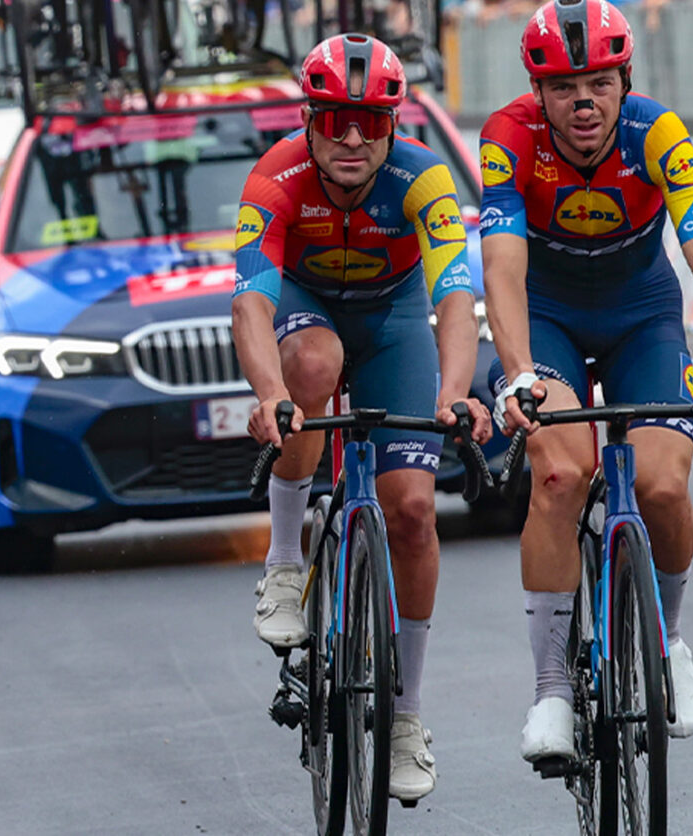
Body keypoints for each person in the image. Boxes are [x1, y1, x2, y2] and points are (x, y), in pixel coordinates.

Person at [480, 0, 693, 765]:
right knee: (561, 473)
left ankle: (669, 640)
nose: (583, 102)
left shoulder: (656, 132)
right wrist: (516, 372)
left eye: (599, 83)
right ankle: (551, 690)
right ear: (538, 92)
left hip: (642, 316)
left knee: (662, 485)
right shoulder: (509, 137)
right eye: (564, 87)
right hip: (548, 320)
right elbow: (502, 267)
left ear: (624, 82)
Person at [231, 33, 492, 804]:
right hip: (306, 311)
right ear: (307, 121)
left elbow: (454, 297)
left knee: (412, 511)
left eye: (371, 122)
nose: (352, 139)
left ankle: (406, 716)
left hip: (392, 320)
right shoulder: (275, 178)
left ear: (393, 125)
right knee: (311, 368)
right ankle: (286, 561)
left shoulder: (423, 177)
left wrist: (453, 394)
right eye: (336, 121)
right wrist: (270, 394)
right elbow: (250, 305)